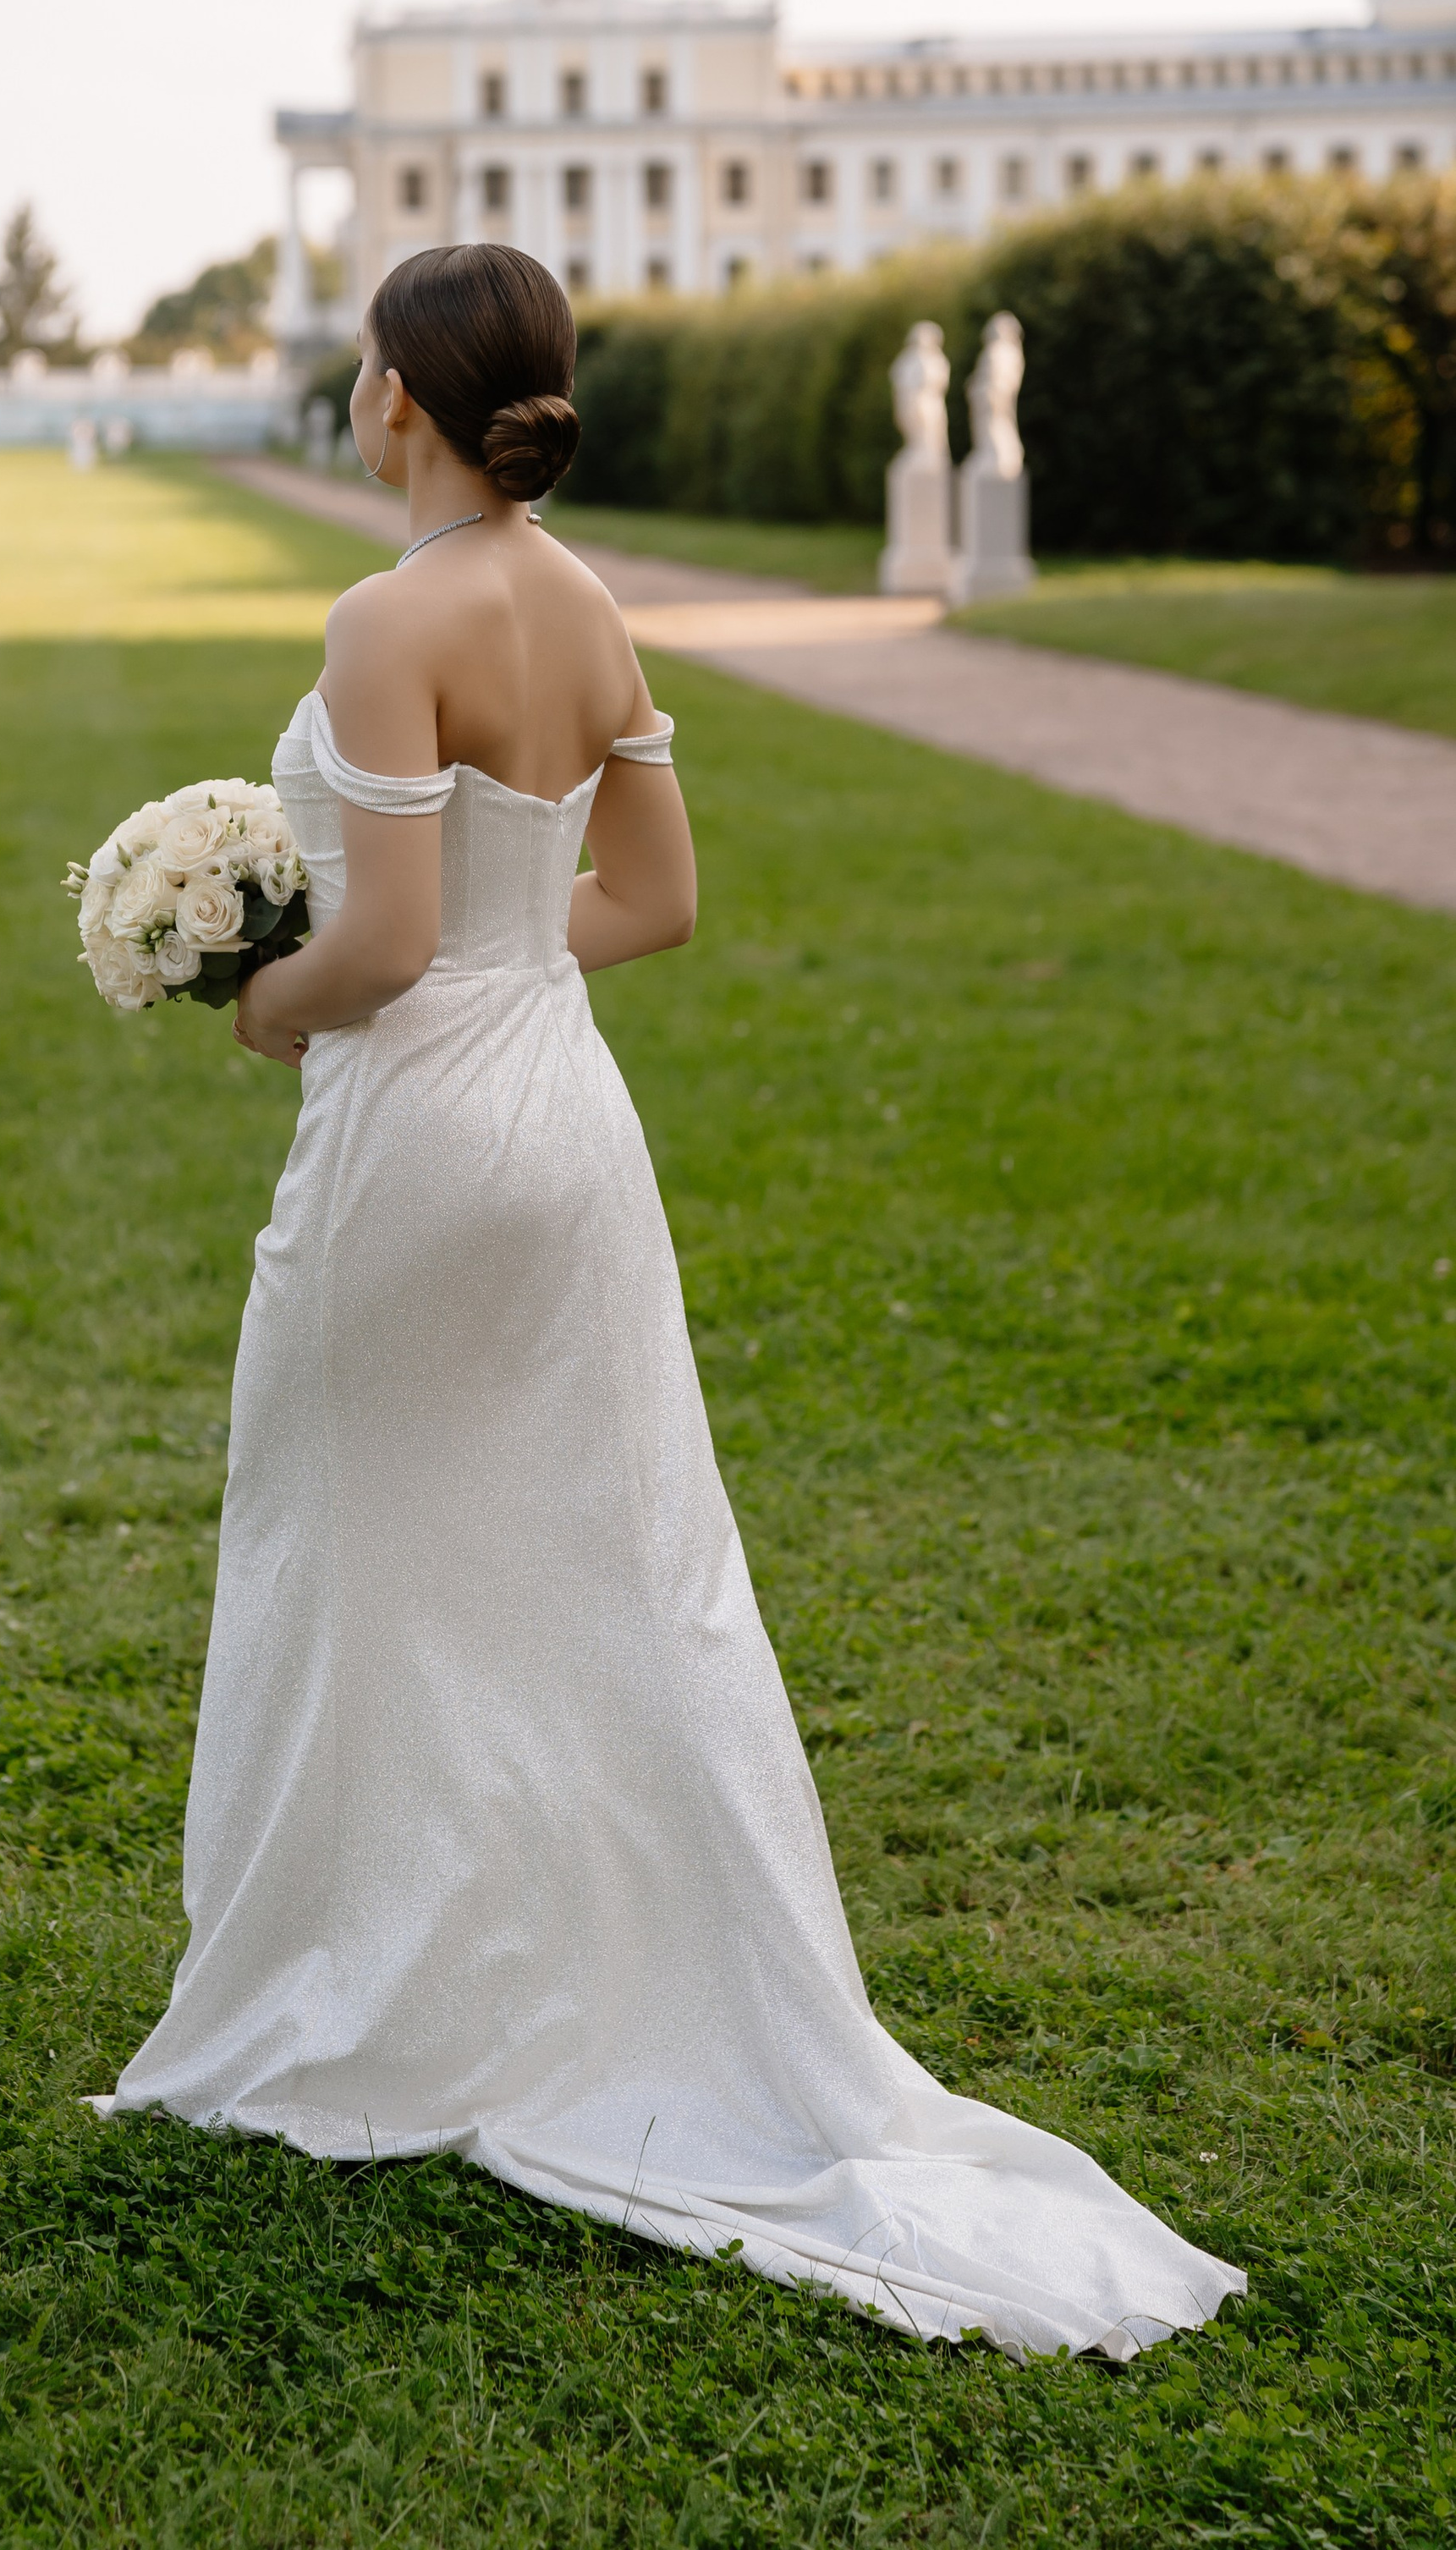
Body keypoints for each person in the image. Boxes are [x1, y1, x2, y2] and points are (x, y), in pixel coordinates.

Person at [95, 243, 1244, 2360]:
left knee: (352, 1542)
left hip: (420, 1141)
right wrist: (505, 980)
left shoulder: (384, 617)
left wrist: (256, 999)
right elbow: (661, 900)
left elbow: (391, 937)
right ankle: (631, 1972)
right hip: (568, 1125)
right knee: (614, 1565)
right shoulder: (589, 603)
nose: (356, 395)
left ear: (399, 405)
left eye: (365, 369)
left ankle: (370, 1987)